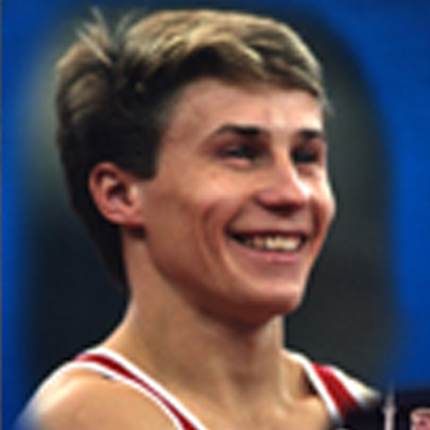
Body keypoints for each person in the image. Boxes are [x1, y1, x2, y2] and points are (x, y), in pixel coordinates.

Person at [19, 8, 379, 430]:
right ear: (120, 195)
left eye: (305, 157)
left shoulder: (357, 405)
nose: (293, 193)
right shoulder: (86, 413)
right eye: (240, 154)